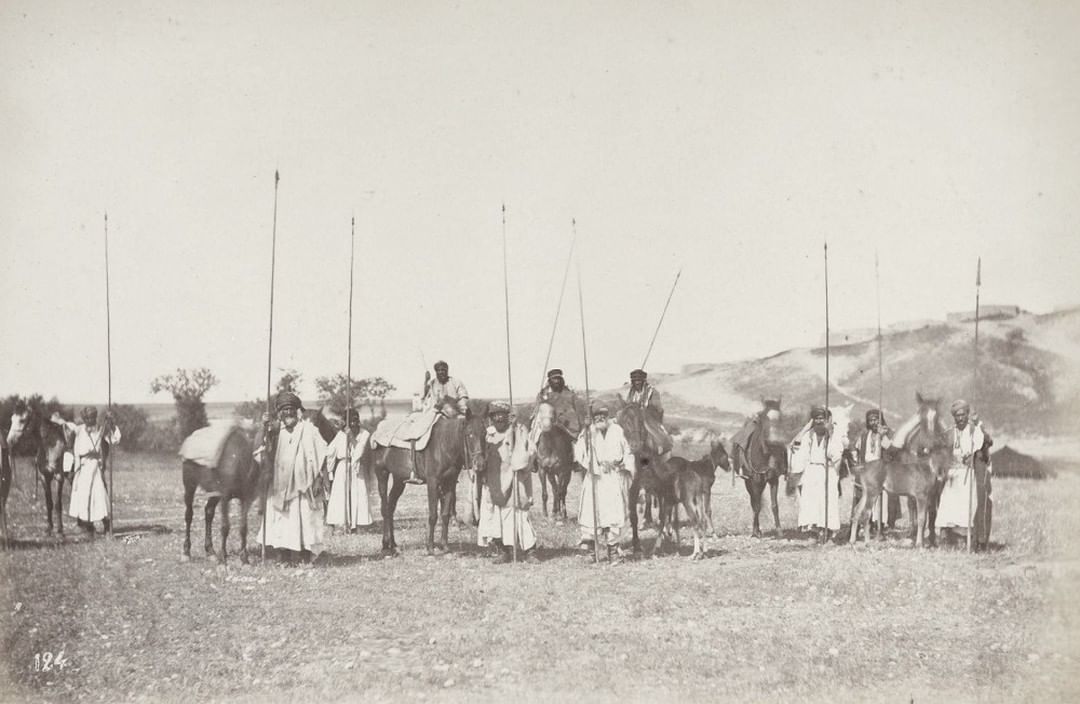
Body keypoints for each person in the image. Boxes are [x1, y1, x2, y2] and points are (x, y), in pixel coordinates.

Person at [254, 391, 336, 565]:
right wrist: (264, 427)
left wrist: (319, 480)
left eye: (291, 409)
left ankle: (305, 556)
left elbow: (323, 454)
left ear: (298, 411)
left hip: (304, 485)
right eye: (284, 410)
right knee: (283, 521)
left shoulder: (309, 430)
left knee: (305, 520)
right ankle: (284, 556)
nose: (288, 413)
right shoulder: (275, 432)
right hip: (280, 485)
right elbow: (262, 452)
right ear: (279, 413)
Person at [477, 401, 539, 564]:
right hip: (495, 481)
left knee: (519, 515)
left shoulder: (519, 431)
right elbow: (480, 456)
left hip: (515, 480)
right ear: (491, 418)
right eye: (495, 415)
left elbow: (530, 451)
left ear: (507, 417)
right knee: (496, 517)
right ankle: (503, 550)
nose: (499, 418)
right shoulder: (488, 435)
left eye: (502, 415)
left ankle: (529, 551)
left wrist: (520, 455)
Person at [574, 403, 636, 562]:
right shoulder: (588, 432)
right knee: (592, 513)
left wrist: (624, 467)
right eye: (596, 416)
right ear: (592, 418)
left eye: (603, 415)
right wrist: (587, 435)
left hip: (613, 478)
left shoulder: (617, 431)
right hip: (595, 477)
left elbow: (628, 451)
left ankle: (613, 551)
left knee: (613, 514)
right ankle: (591, 552)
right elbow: (580, 452)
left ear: (608, 416)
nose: (599, 418)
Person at [936, 399, 991, 547]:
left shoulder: (974, 430)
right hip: (952, 476)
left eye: (963, 415)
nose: (960, 418)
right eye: (957, 416)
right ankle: (948, 538)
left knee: (965, 506)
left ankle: (965, 539)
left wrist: (979, 424)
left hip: (968, 475)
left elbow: (986, 441)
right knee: (948, 504)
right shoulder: (949, 433)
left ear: (967, 414)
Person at [64, 406, 120, 536]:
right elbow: (69, 449)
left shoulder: (101, 430)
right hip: (82, 468)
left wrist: (111, 424)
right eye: (87, 418)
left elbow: (114, 440)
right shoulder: (77, 431)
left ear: (95, 417)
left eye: (92, 418)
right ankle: (89, 527)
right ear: (84, 418)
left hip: (95, 467)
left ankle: (107, 525)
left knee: (99, 495)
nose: (89, 420)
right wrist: (68, 469)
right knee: (83, 497)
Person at [790, 405, 844, 537]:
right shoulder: (809, 435)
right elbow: (798, 449)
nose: (819, 421)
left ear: (827, 420)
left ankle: (829, 534)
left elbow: (836, 455)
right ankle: (814, 533)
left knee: (828, 502)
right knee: (811, 502)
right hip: (811, 472)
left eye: (822, 418)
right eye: (816, 419)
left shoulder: (834, 435)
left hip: (828, 471)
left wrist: (830, 435)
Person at [324, 409, 376, 531]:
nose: (353, 424)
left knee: (358, 493)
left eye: (355, 421)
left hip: (357, 467)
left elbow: (359, 451)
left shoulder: (365, 434)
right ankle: (342, 523)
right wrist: (330, 471)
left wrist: (351, 436)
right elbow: (331, 451)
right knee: (341, 494)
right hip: (343, 466)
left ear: (358, 421)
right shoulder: (340, 434)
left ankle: (359, 524)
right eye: (350, 422)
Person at [851, 409, 895, 529]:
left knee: (882, 498)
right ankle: (867, 524)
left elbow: (892, 450)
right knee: (867, 497)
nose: (873, 422)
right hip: (867, 471)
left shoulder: (888, 433)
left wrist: (883, 436)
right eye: (871, 420)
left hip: (882, 471)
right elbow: (856, 450)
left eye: (876, 420)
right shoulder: (864, 435)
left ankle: (880, 525)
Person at [529, 368, 585, 450]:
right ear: (549, 381)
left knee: (579, 447)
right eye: (554, 379)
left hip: (569, 428)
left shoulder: (570, 395)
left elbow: (579, 412)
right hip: (547, 424)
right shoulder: (543, 395)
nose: (557, 381)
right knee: (534, 440)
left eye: (558, 378)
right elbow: (537, 410)